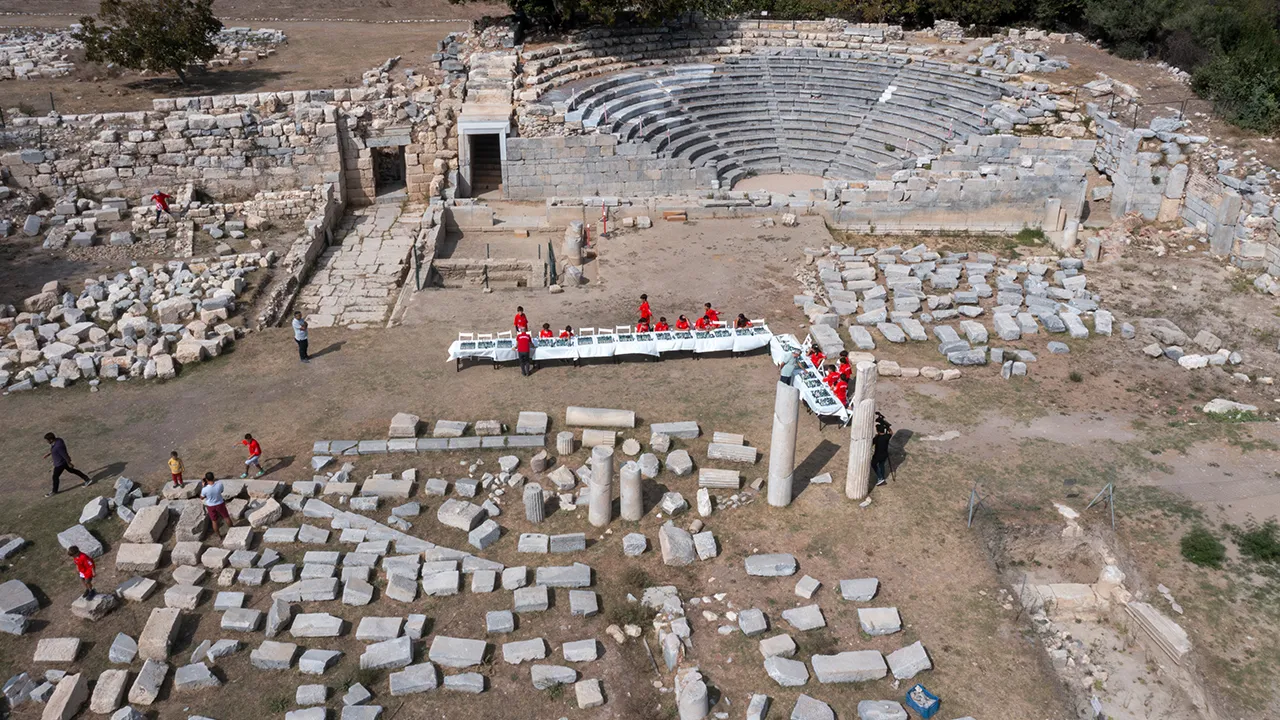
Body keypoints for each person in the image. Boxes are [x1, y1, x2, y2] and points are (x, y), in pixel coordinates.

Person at [43, 432, 92, 498]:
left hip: (60, 464)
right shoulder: (59, 440)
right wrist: (50, 453)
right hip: (62, 462)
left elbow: (64, 454)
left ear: (51, 439)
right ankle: (87, 479)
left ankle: (54, 491)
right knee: (72, 471)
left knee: (55, 477)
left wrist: (69, 463)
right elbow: (57, 450)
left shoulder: (58, 446)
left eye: (47, 440)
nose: (46, 441)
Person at [201, 472, 234, 537]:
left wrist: (203, 486)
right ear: (214, 477)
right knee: (226, 517)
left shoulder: (204, 489)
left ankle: (219, 536)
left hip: (210, 506)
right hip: (220, 503)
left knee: (214, 521)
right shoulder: (220, 484)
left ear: (206, 479)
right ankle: (233, 530)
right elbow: (221, 491)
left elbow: (201, 497)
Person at [872, 414, 893, 486]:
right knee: (881, 465)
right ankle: (882, 476)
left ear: (878, 431)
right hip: (885, 454)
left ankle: (880, 478)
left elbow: (871, 443)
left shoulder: (877, 438)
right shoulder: (887, 436)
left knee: (873, 464)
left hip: (878, 455)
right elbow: (891, 433)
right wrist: (888, 428)